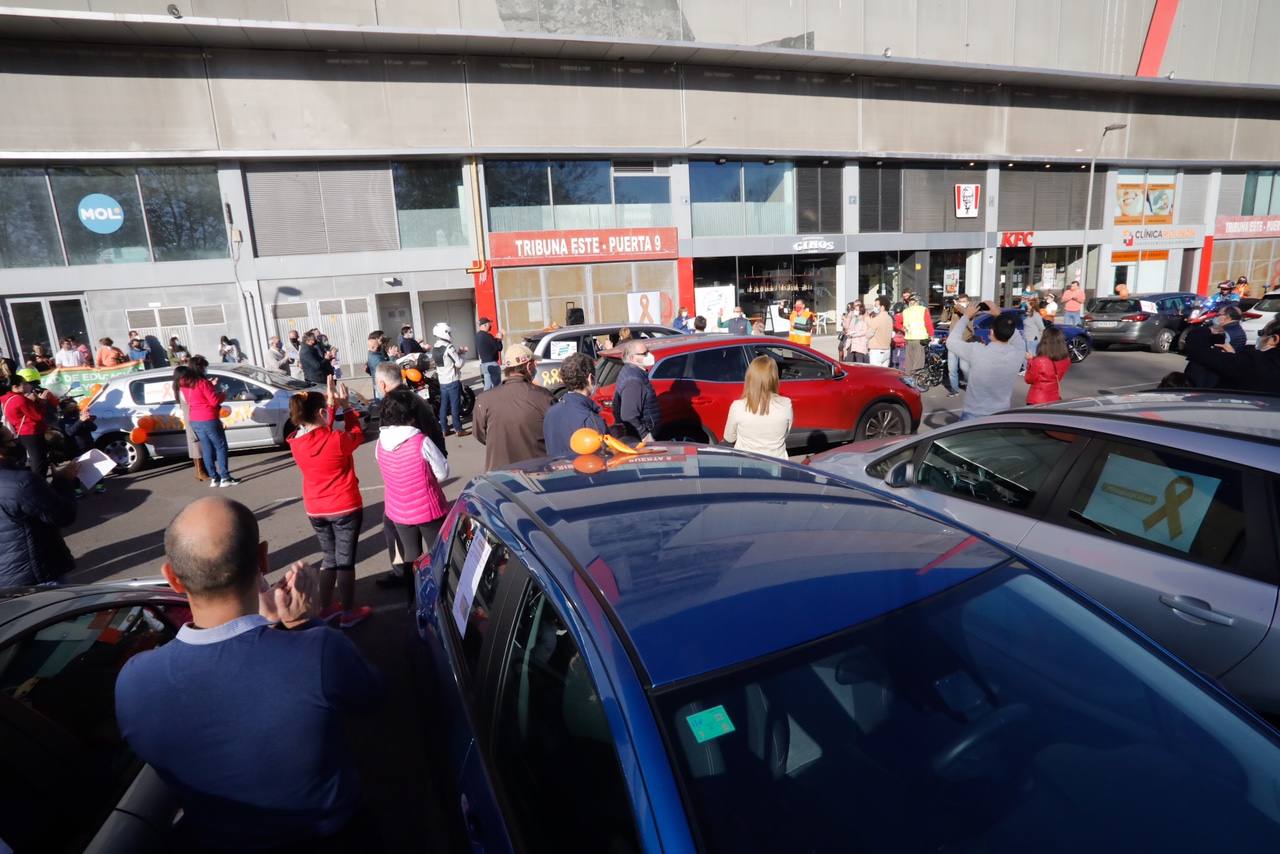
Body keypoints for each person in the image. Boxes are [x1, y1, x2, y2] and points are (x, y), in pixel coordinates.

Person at [114, 497, 382, 852]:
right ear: (262, 559)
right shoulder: (317, 651)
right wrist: (301, 623)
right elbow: (372, 695)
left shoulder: (133, 681)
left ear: (172, 579)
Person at [288, 378, 372, 628]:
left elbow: (319, 429)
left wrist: (331, 404)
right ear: (322, 413)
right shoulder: (337, 440)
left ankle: (326, 608)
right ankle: (348, 612)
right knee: (345, 561)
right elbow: (356, 435)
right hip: (344, 505)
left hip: (316, 508)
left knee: (329, 558)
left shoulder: (295, 441)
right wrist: (346, 407)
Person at [374, 391, 450, 590]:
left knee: (411, 554)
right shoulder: (421, 441)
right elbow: (442, 473)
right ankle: (439, 593)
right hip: (428, 509)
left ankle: (413, 597)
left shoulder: (380, 442)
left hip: (398, 509)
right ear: (410, 416)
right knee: (437, 552)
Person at [0, 434, 77, 586]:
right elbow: (63, 515)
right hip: (36, 575)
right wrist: (64, 482)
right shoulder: (22, 482)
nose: (18, 443)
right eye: (12, 440)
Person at [473, 343, 553, 470]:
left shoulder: (484, 399)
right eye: (534, 363)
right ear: (528, 366)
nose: (535, 367)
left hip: (498, 475)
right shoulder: (543, 396)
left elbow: (480, 435)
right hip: (536, 473)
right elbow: (553, 434)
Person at [946, 305, 1026, 420]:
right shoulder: (1018, 353)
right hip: (1001, 415)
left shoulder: (977, 350)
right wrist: (1000, 316)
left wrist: (966, 316)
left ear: (991, 332)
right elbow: (1015, 336)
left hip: (973, 415)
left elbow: (951, 342)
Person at [179, 356, 239, 487]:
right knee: (221, 446)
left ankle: (214, 478)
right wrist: (223, 393)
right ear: (200, 367)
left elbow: (194, 397)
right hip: (209, 418)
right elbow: (214, 401)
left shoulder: (184, 382)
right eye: (205, 367)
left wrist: (210, 386)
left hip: (194, 419)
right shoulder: (202, 382)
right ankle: (225, 477)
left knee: (206, 448)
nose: (206, 370)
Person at [1183, 317, 1280, 393]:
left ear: (1274, 339)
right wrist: (1234, 356)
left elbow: (1198, 351)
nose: (1260, 336)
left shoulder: (1255, 363)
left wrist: (1209, 330)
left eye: (1262, 332)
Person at [723, 356, 793, 460]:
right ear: (774, 378)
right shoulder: (786, 404)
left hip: (746, 465)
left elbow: (729, 438)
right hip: (777, 465)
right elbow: (786, 433)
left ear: (750, 377)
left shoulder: (738, 407)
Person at [373, 361, 447, 456]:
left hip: (410, 463)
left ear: (382, 384)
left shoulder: (388, 407)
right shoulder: (418, 398)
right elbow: (436, 430)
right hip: (433, 456)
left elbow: (390, 445)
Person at [543, 352, 607, 457]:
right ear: (590, 379)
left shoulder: (551, 412)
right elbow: (602, 457)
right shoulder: (591, 419)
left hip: (560, 472)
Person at [2, 368, 50, 477]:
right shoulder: (20, 400)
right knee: (39, 461)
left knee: (31, 459)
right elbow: (38, 416)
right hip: (31, 432)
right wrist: (41, 402)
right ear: (15, 387)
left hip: (20, 432)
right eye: (24, 383)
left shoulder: (6, 398)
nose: (28, 385)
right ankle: (39, 485)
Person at [612, 338, 660, 442]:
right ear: (632, 358)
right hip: (640, 439)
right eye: (644, 353)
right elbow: (628, 415)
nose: (649, 355)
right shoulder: (634, 380)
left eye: (648, 351)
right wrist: (645, 435)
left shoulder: (634, 372)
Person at [431, 322, 469, 438]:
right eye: (449, 332)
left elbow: (447, 359)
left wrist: (459, 353)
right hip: (452, 380)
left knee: (444, 405)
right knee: (455, 405)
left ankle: (444, 428)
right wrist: (463, 355)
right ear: (445, 333)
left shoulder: (435, 347)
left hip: (442, 380)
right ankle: (459, 429)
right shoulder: (449, 347)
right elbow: (458, 363)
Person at [172, 365, 208, 482]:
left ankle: (202, 470)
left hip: (192, 417)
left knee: (197, 443)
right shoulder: (182, 388)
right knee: (195, 443)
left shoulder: (179, 386)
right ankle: (200, 471)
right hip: (192, 418)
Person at [1024, 326, 1071, 405]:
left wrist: (1030, 361)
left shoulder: (1038, 361)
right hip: (1054, 398)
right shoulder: (1066, 360)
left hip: (1037, 399)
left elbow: (1028, 379)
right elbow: (1051, 365)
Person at [900, 291, 934, 372]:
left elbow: (898, 322)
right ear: (918, 301)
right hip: (920, 339)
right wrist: (931, 335)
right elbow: (928, 324)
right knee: (918, 361)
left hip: (908, 339)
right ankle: (916, 379)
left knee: (909, 361)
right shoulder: (923, 310)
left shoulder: (905, 311)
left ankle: (908, 378)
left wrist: (902, 328)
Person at [944, 295, 972, 396]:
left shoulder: (970, 310)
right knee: (952, 368)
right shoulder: (955, 309)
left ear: (968, 302)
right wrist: (946, 308)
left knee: (964, 367)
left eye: (963, 301)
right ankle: (954, 389)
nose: (961, 302)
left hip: (964, 342)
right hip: (953, 342)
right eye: (959, 301)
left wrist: (958, 306)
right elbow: (943, 319)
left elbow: (966, 315)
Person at [475, 317, 503, 391]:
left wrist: (496, 339)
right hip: (492, 364)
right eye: (489, 324)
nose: (490, 326)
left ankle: (486, 401)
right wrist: (499, 339)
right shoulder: (488, 336)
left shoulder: (477, 336)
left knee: (488, 387)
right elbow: (499, 347)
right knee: (497, 387)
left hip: (484, 364)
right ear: (484, 325)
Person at [867, 296, 894, 367]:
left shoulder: (876, 319)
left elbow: (869, 334)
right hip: (887, 350)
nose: (875, 307)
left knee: (875, 374)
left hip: (876, 351)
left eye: (876, 305)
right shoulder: (890, 318)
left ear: (882, 307)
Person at [365, 331, 388, 399]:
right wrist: (392, 357)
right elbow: (385, 369)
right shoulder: (374, 356)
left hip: (380, 382)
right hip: (381, 384)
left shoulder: (380, 350)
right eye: (381, 338)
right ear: (376, 339)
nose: (383, 339)